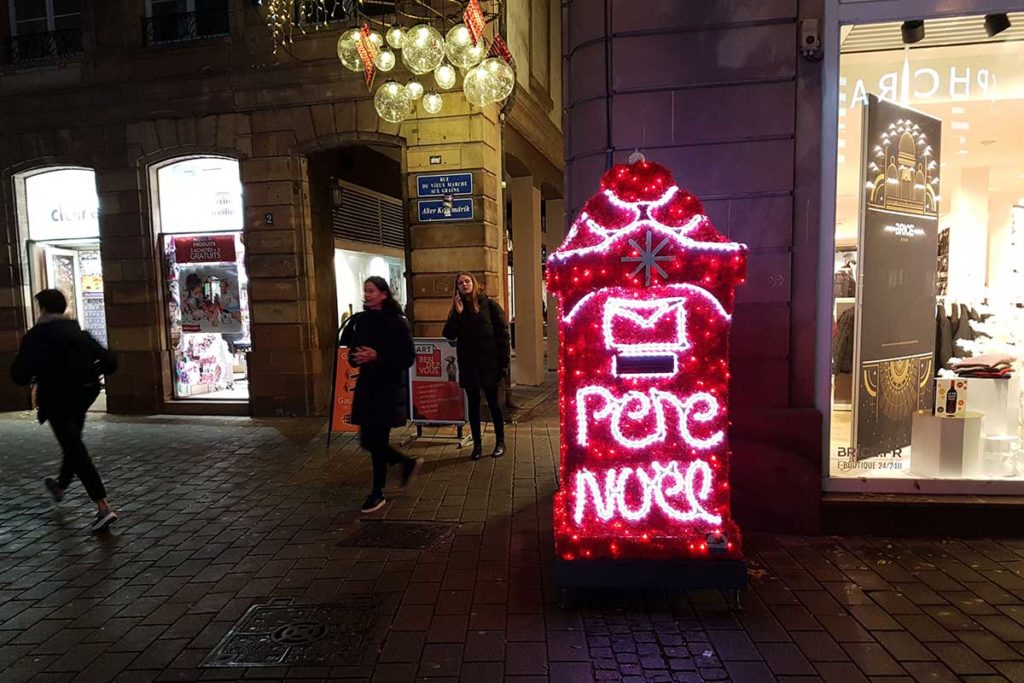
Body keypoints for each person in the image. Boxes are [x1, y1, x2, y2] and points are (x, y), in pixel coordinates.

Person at [10, 289, 119, 532]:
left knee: (74, 448)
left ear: (44, 309)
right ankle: (61, 486)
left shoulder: (36, 337)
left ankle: (103, 506)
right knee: (73, 442)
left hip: (56, 398)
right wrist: (90, 372)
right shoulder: (78, 333)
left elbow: (19, 375)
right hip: (83, 394)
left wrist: (38, 374)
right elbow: (111, 362)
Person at [342, 276, 422, 513]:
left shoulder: (396, 322)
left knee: (377, 441)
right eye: (365, 291)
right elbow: (352, 351)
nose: (367, 295)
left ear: (383, 294)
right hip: (367, 387)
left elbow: (407, 357)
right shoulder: (363, 320)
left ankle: (377, 492)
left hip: (387, 389)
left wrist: (378, 356)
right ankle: (406, 463)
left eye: (371, 291)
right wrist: (357, 357)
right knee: (368, 441)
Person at [442, 272, 509, 460]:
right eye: (460, 283)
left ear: (474, 283)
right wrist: (458, 314)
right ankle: (477, 446)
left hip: (490, 364)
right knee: (473, 406)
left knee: (493, 404)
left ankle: (500, 442)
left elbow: (503, 336)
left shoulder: (490, 305)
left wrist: (504, 365)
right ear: (457, 288)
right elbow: (448, 334)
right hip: (469, 365)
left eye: (467, 281)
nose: (464, 285)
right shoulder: (458, 309)